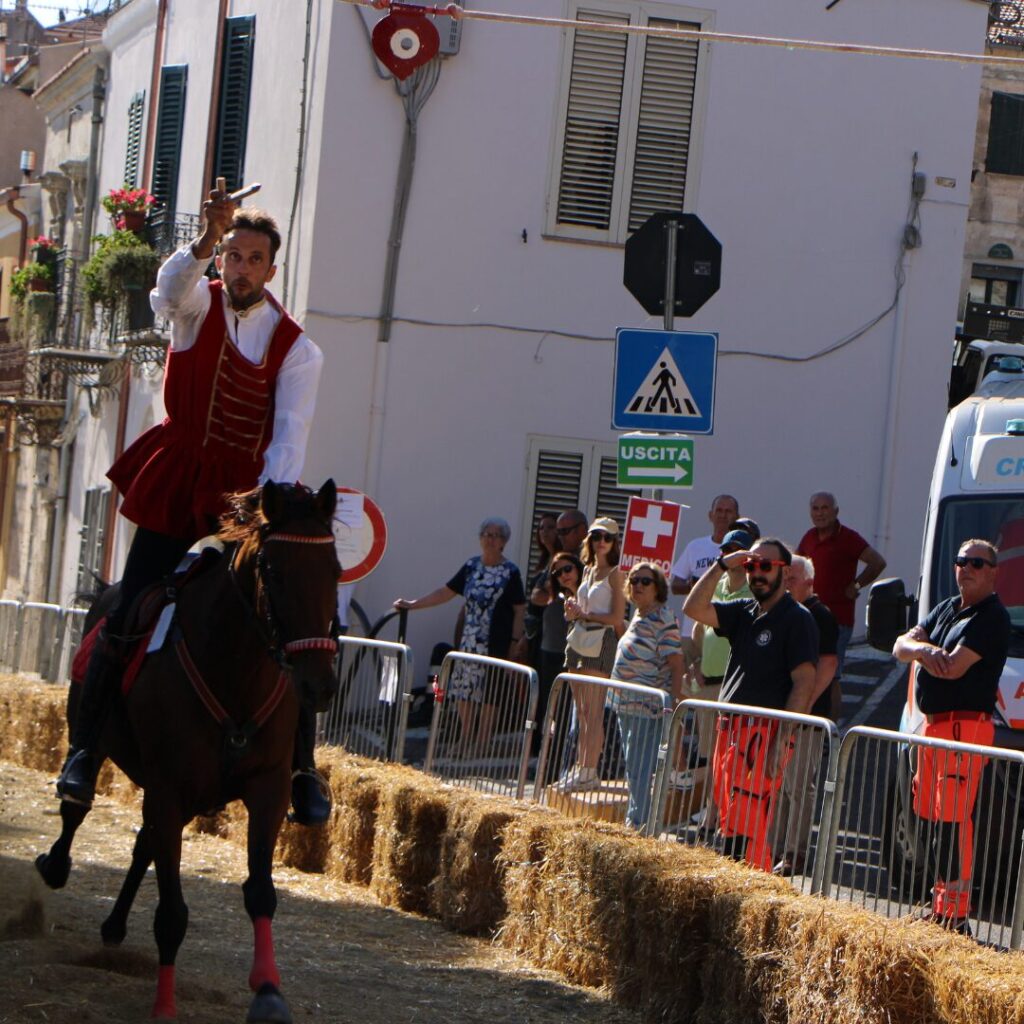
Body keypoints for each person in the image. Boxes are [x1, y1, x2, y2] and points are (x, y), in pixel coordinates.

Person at [56, 186, 330, 825]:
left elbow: (289, 437)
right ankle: (84, 751)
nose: (241, 268)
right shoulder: (195, 305)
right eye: (233, 255)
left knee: (293, 617)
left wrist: (263, 511)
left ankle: (301, 770)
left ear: (271, 269)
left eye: (253, 259)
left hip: (245, 492)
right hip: (180, 472)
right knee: (129, 604)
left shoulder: (298, 349)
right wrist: (206, 237)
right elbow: (166, 290)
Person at [893, 539, 1010, 934]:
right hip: (934, 725)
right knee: (929, 815)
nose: (967, 568)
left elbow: (954, 668)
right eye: (962, 561)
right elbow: (899, 646)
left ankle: (956, 914)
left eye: (977, 563)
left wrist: (919, 650)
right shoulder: (946, 607)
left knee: (954, 819)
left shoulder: (993, 617)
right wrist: (924, 651)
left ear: (993, 572)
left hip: (965, 726)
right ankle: (941, 903)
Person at [684, 538, 819, 871]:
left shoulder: (797, 618)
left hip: (763, 733)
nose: (757, 573)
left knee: (750, 823)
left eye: (765, 566)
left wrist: (782, 740)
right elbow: (694, 608)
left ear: (784, 572)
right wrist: (722, 566)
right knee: (730, 818)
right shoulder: (744, 611)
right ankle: (734, 882)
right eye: (751, 566)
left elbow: (804, 682)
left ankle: (751, 885)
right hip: (730, 728)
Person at [394, 517, 526, 759]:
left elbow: (519, 610)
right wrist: (413, 605)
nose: (490, 539)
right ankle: (465, 737)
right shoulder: (471, 566)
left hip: (496, 641)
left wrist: (514, 642)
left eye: (496, 535)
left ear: (504, 542)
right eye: (486, 534)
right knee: (464, 689)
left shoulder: (511, 572)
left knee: (491, 691)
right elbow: (445, 592)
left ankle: (482, 742)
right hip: (470, 640)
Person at [772, 555, 838, 876]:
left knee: (798, 786)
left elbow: (828, 664)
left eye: (792, 579)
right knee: (779, 784)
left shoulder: (820, 615)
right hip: (784, 711)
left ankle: (794, 852)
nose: (786, 584)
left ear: (809, 583)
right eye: (784, 578)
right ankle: (774, 847)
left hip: (806, 716)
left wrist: (806, 705)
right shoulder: (785, 612)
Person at [609, 562, 684, 832]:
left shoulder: (663, 617)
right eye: (633, 580)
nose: (638, 585)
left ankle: (641, 823)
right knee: (632, 764)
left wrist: (674, 700)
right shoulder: (639, 615)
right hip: (626, 704)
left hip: (648, 705)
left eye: (645, 581)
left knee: (640, 766)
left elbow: (676, 662)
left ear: (658, 587)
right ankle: (636, 818)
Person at [559, 517, 626, 792]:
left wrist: (586, 614)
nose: (601, 542)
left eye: (607, 537)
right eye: (597, 536)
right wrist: (573, 611)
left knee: (595, 711)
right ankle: (581, 767)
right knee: (582, 712)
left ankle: (589, 769)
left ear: (615, 542)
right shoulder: (587, 570)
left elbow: (617, 617)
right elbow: (583, 608)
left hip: (601, 640)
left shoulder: (616, 573)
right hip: (579, 638)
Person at [796, 492, 886, 678]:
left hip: (837, 619)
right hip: (810, 617)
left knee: (830, 677)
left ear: (836, 511)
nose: (820, 513)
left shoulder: (848, 537)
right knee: (810, 673)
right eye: (815, 509)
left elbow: (877, 562)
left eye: (825, 508)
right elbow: (795, 566)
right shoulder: (809, 537)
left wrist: (856, 585)